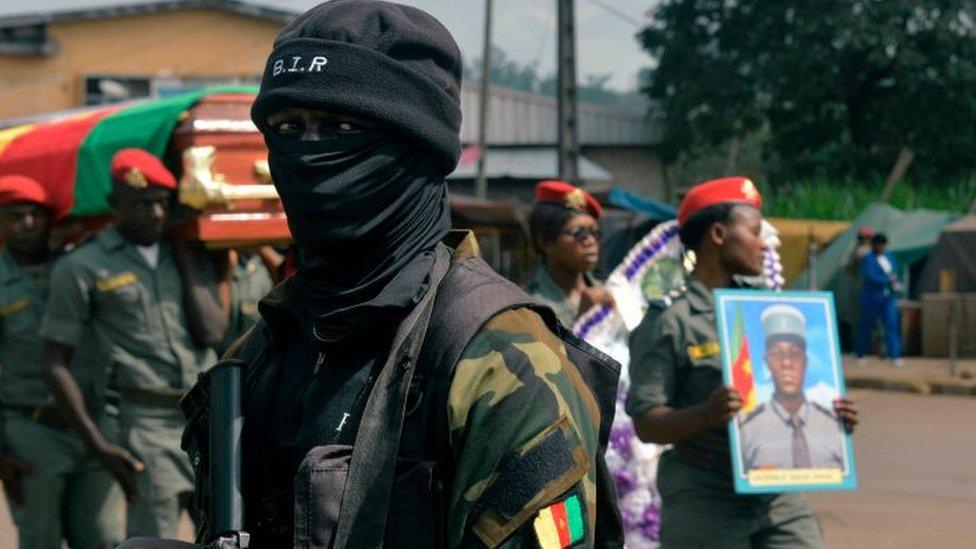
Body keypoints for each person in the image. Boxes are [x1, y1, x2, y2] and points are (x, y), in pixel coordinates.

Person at [132, 2, 623, 548]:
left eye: (343, 127)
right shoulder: (263, 349)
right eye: (287, 128)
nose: (308, 153)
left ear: (419, 145)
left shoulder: (500, 360)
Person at [626, 176, 859, 548]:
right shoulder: (670, 319)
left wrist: (830, 418)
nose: (765, 244)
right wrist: (706, 413)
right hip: (704, 494)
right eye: (755, 232)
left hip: (776, 492)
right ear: (718, 233)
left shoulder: (768, 308)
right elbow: (646, 422)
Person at [39, 149, 229, 539]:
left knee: (224, 532)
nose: (156, 215)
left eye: (162, 204)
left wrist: (184, 254)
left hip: (206, 417)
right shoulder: (82, 266)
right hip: (142, 423)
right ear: (114, 206)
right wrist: (95, 443)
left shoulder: (187, 252)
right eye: (142, 205)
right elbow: (53, 360)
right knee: (156, 540)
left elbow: (212, 333)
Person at [0, 175, 125, 548]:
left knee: (104, 537)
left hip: (93, 424)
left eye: (37, 214)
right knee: (41, 540)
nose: (27, 223)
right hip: (32, 429)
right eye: (15, 215)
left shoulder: (78, 267)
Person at [740, 305, 846, 472]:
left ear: (805, 362)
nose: (786, 363)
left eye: (794, 354)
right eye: (776, 354)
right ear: (767, 362)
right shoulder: (748, 428)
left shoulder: (832, 424)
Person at [525, 180, 614, 328]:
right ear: (544, 241)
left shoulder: (608, 289)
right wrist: (583, 323)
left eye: (594, 232)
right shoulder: (530, 307)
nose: (590, 241)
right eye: (577, 233)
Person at [855, 233, 903, 367]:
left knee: (891, 325)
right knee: (866, 326)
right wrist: (888, 281)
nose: (882, 247)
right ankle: (860, 353)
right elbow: (871, 277)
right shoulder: (868, 259)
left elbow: (894, 273)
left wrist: (896, 283)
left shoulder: (889, 258)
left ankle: (895, 355)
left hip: (887, 299)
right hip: (871, 298)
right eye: (880, 245)